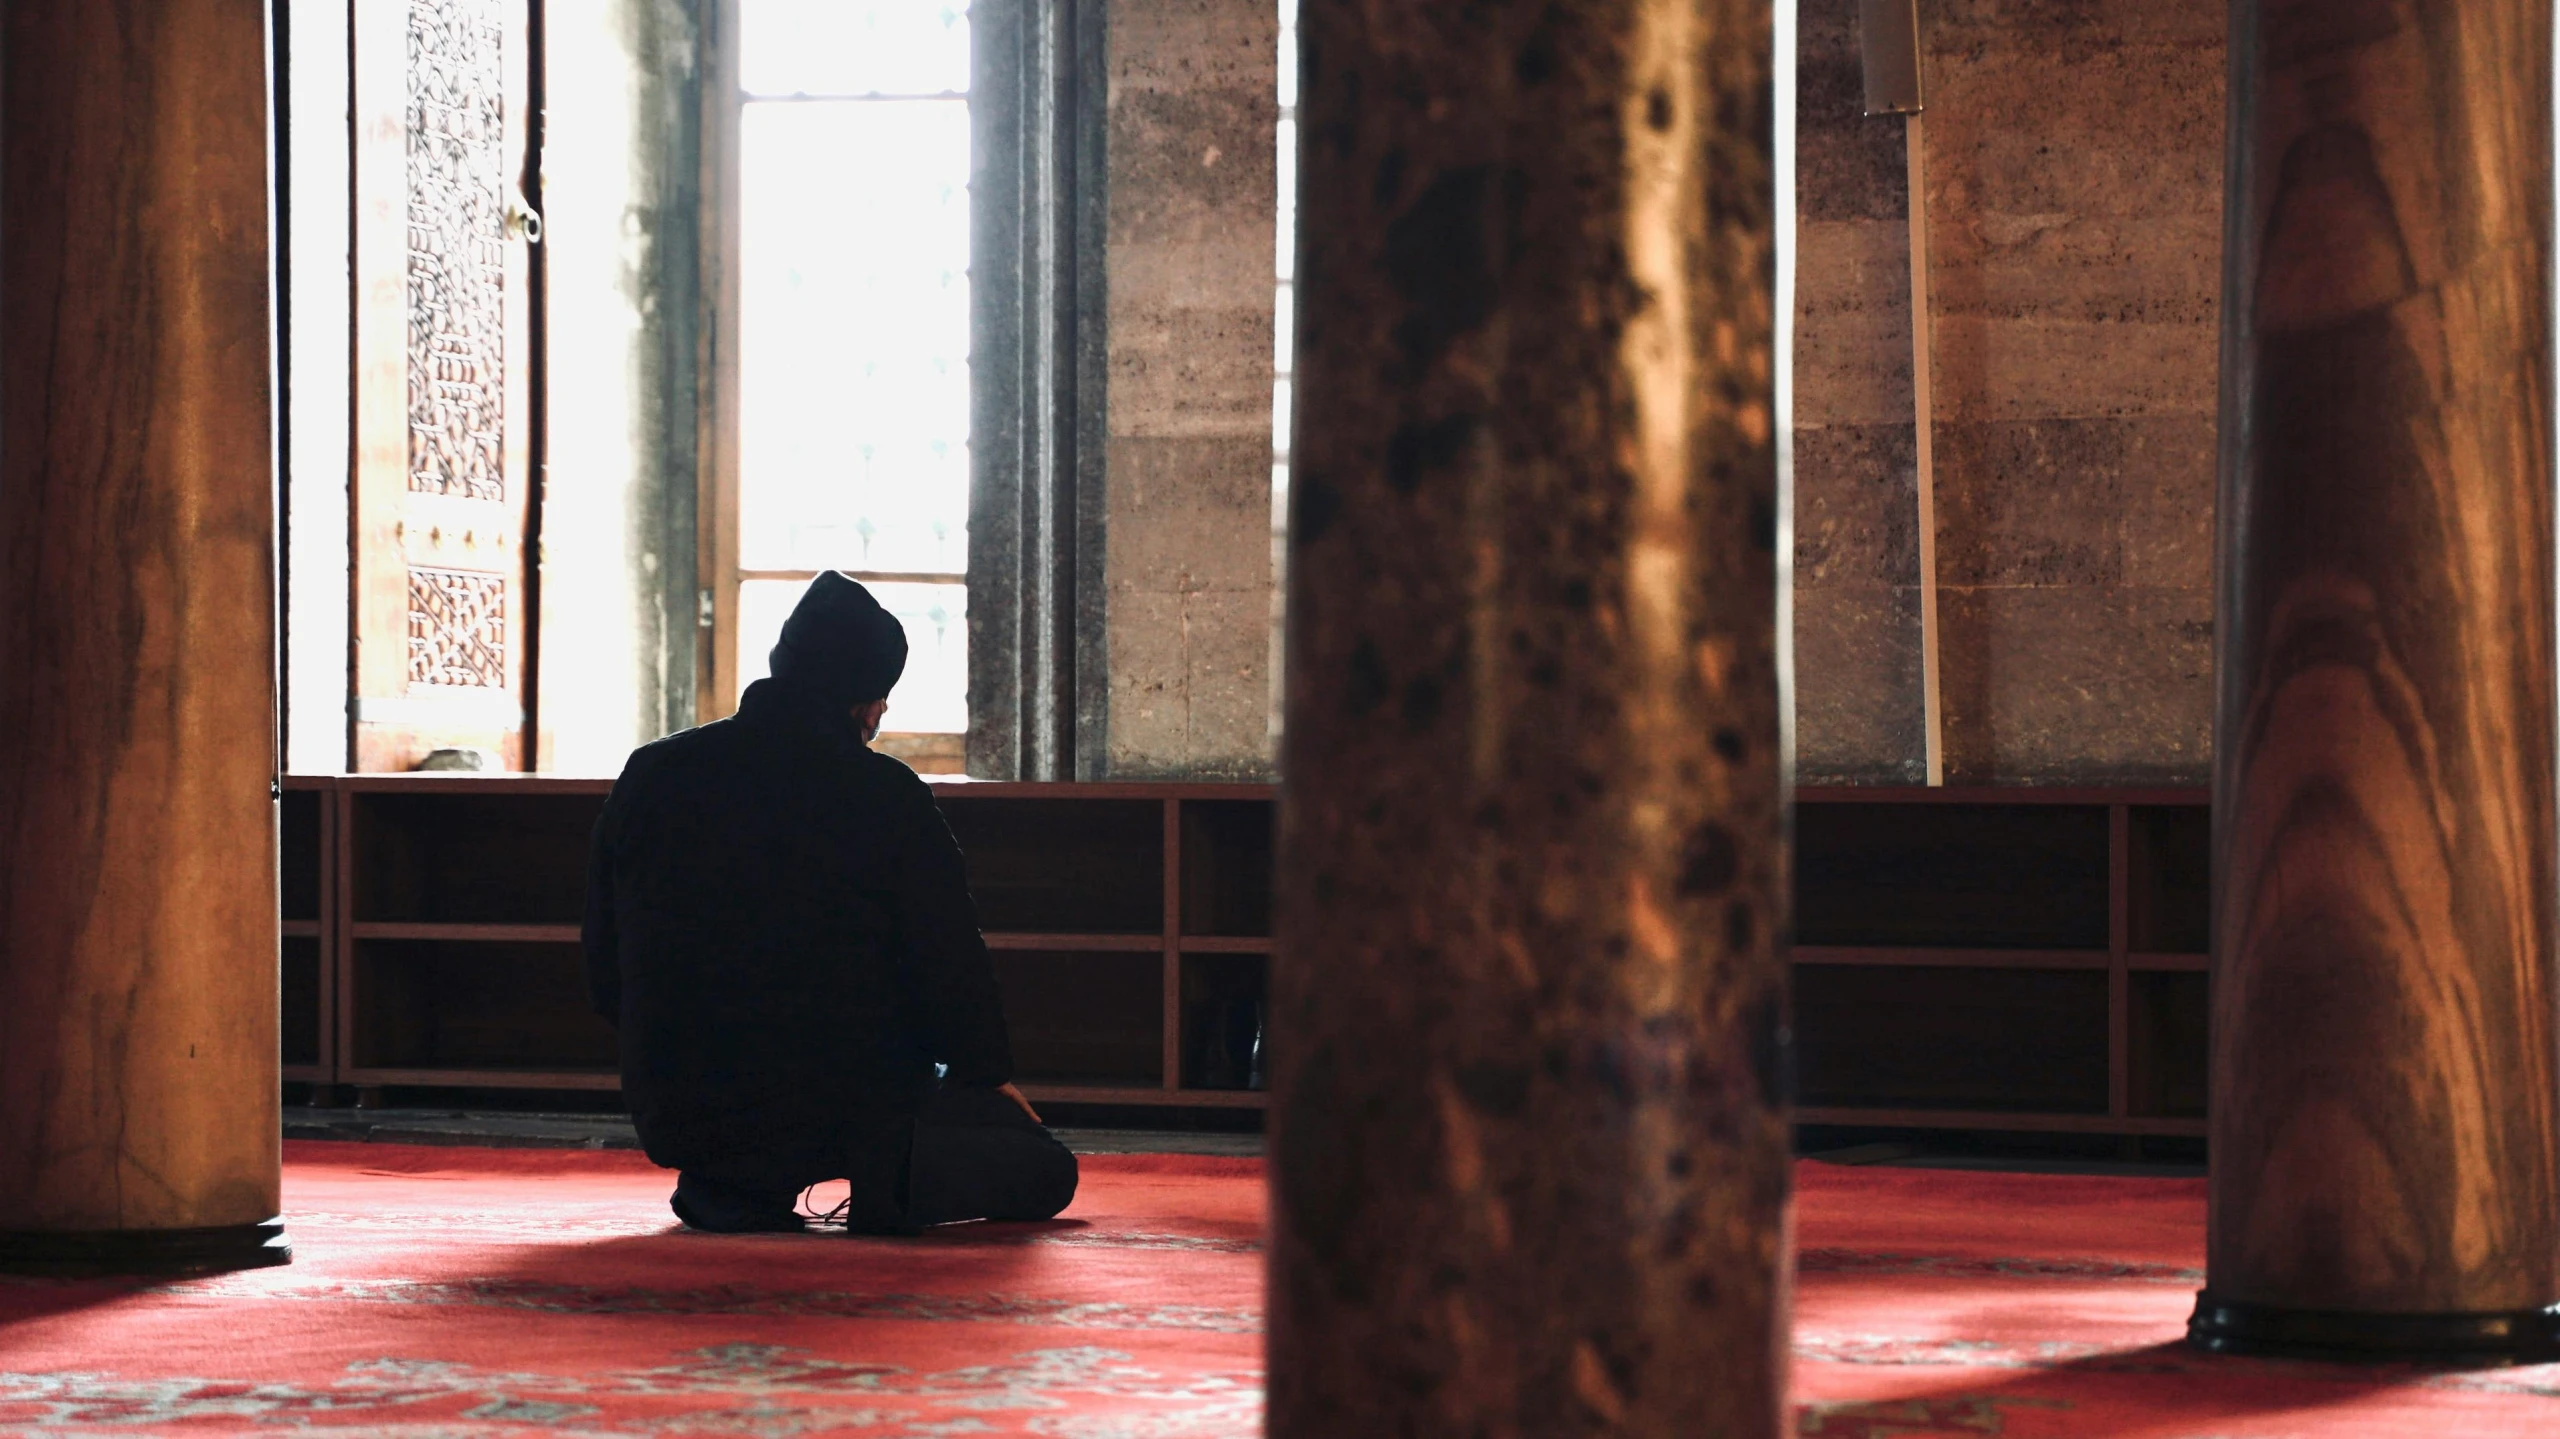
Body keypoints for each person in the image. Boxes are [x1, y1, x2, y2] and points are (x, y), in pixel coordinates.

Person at [582, 572, 1078, 1233]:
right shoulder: (886, 793)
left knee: (757, 1107)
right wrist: (987, 1076)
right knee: (1048, 1169)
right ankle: (890, 1174)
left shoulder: (652, 772)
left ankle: (731, 1184)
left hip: (681, 1108)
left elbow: (604, 964)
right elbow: (948, 961)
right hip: (847, 1108)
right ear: (865, 703)